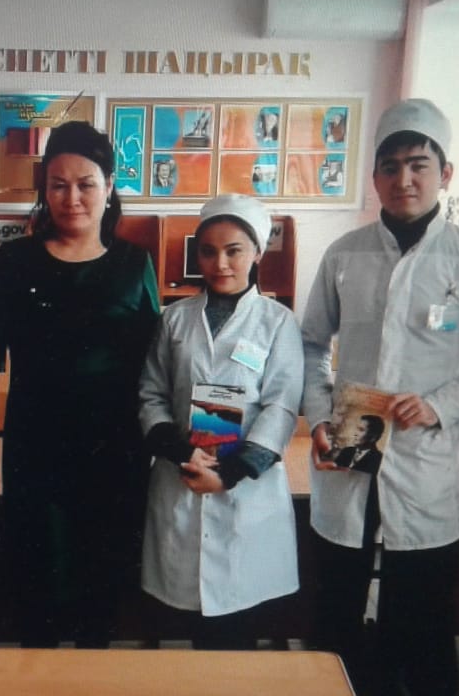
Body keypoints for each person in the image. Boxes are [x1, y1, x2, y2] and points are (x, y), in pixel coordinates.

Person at [301, 98, 459, 695]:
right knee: (338, 606)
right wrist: (319, 417)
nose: (404, 179)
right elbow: (310, 343)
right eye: (391, 166)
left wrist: (440, 404)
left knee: (421, 618)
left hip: (423, 457)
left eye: (419, 165)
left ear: (445, 173)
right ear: (374, 177)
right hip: (350, 445)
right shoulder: (345, 254)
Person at [0, 121, 160, 647]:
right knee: (36, 599)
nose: (72, 199)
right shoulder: (14, 263)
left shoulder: (134, 264)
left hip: (115, 456)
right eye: (58, 185)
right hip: (35, 454)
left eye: (85, 184)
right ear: (43, 190)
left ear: (109, 186)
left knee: (101, 601)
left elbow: (158, 369)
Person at [138, 193, 302, 650]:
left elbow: (281, 405)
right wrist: (180, 451)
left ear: (258, 252)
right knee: (186, 621)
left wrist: (231, 473)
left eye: (234, 251)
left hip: (244, 487)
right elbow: (151, 393)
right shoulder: (174, 319)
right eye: (208, 252)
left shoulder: (277, 322)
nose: (221, 264)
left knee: (236, 632)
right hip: (183, 474)